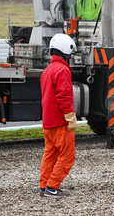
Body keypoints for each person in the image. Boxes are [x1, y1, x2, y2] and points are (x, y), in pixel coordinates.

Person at [39, 33, 77, 198]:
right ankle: (52, 187)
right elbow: (64, 96)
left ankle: (44, 185)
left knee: (50, 155)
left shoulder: (47, 70)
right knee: (68, 156)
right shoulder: (62, 70)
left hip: (48, 123)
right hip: (60, 122)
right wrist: (70, 116)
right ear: (65, 51)